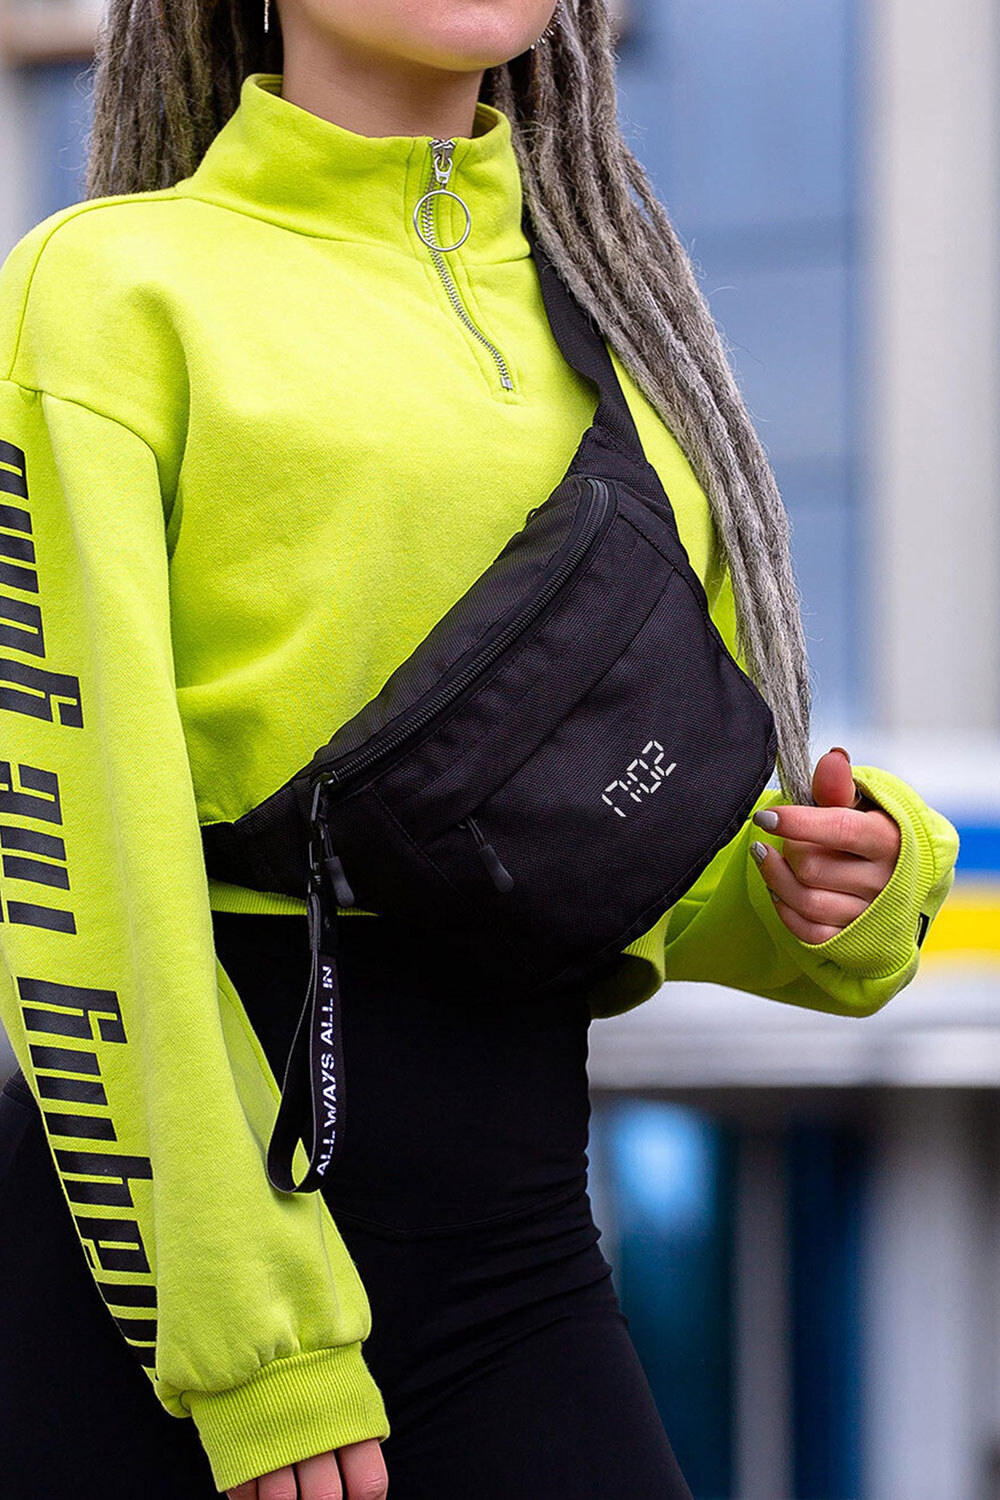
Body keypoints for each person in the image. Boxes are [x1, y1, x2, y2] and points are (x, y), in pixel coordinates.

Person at [0, 2, 960, 1497]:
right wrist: (257, 1348)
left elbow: (600, 857)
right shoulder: (109, 289)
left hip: (515, 1243)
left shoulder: (628, 331)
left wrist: (828, 887)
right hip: (171, 1275)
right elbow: (79, 856)